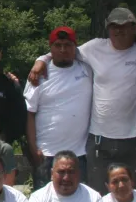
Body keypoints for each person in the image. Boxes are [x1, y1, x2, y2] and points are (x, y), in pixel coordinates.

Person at [27, 7, 136, 191]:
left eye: (125, 26)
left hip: (134, 139)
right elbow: (64, 51)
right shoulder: (94, 48)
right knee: (99, 197)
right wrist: (41, 60)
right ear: (107, 28)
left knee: (132, 195)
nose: (119, 31)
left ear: (134, 28)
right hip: (99, 140)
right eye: (114, 26)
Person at [24, 26, 92, 189]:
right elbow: (29, 114)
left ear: (75, 47)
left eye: (68, 45)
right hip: (46, 153)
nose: (63, 50)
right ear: (51, 47)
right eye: (58, 45)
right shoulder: (38, 76)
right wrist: (33, 147)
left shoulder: (87, 69)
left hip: (79, 153)